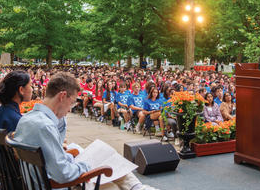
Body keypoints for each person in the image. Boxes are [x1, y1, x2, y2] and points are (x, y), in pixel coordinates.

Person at [13, 72, 156, 190]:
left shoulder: (27, 119)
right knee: (109, 183)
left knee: (103, 159)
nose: (70, 109)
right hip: (57, 184)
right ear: (62, 96)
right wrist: (87, 164)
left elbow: (55, 161)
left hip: (43, 180)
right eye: (72, 102)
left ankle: (137, 187)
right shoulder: (45, 126)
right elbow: (63, 174)